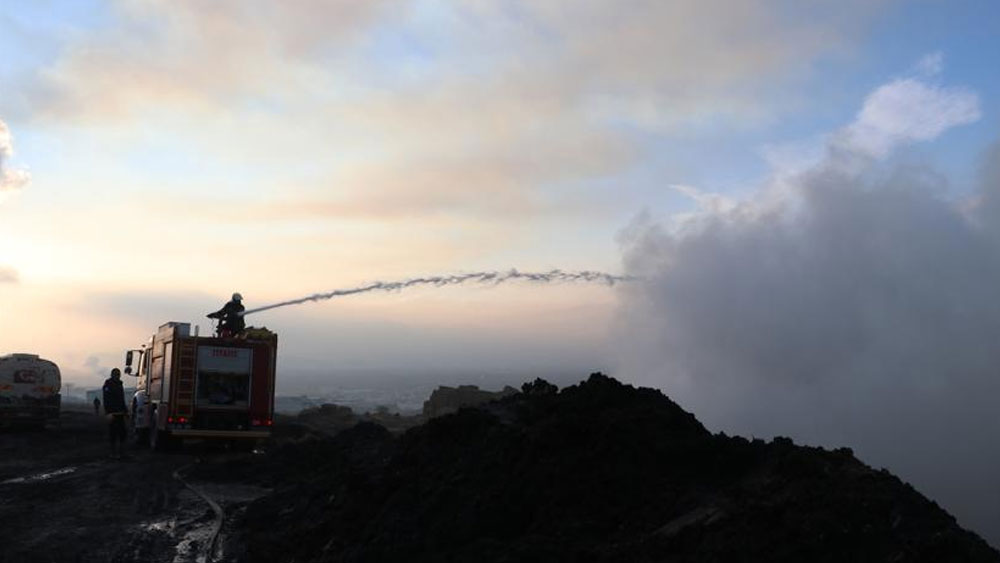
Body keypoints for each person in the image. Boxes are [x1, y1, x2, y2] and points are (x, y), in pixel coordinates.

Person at [102, 368, 128, 460]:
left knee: (122, 434)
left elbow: (122, 399)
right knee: (113, 434)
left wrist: (125, 411)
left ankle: (121, 453)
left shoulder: (120, 384)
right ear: (112, 375)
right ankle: (113, 453)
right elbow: (106, 400)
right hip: (112, 413)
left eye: (118, 374)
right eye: (116, 374)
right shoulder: (108, 385)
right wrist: (108, 412)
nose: (118, 376)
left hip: (120, 413)